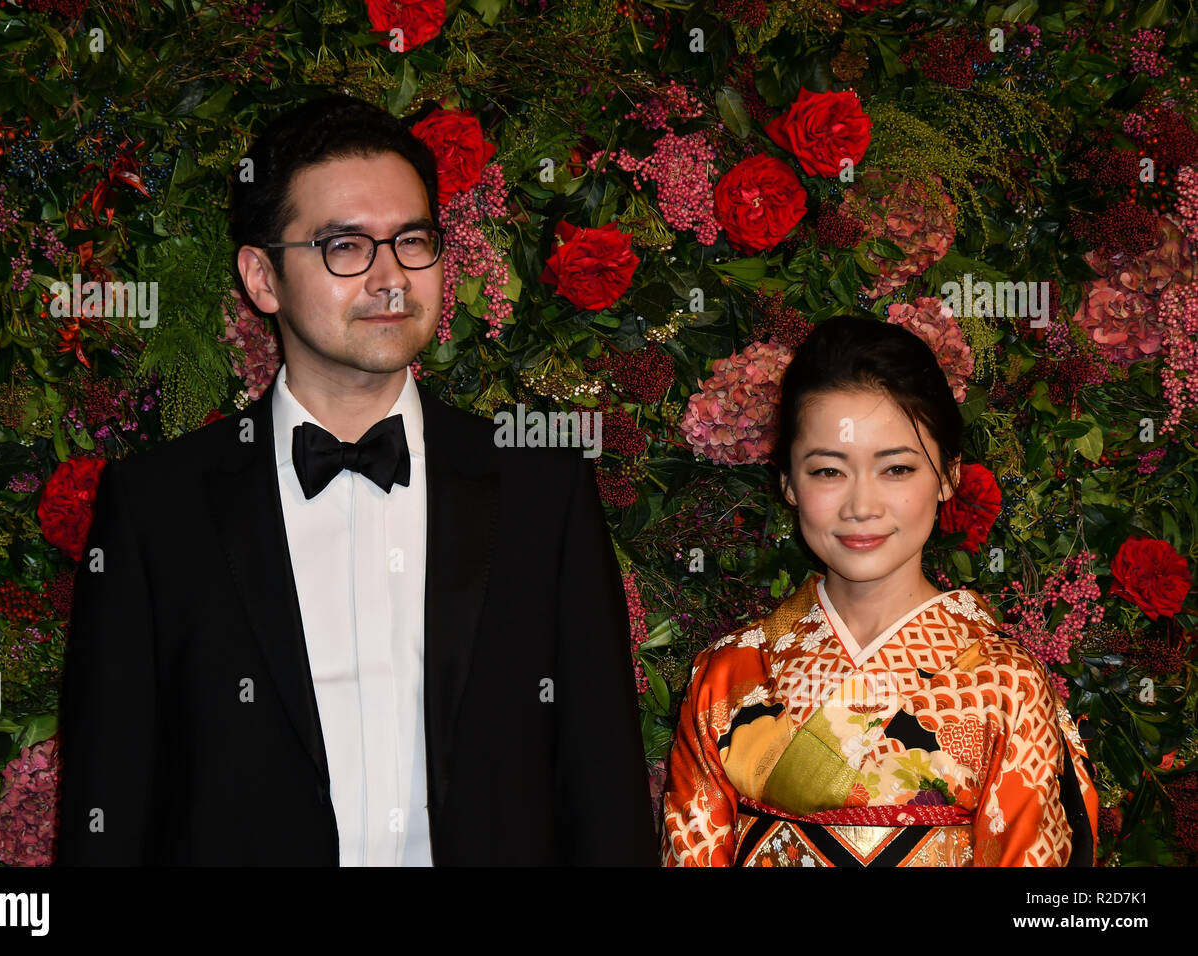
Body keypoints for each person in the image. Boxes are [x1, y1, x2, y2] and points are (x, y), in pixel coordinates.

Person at [56, 95, 658, 866]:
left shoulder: (543, 491)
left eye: (412, 241)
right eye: (344, 247)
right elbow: (110, 803)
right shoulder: (155, 508)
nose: (389, 279)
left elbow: (601, 785)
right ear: (262, 276)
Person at [661, 316, 1098, 867]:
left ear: (946, 476)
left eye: (895, 469)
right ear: (788, 483)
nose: (861, 506)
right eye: (827, 472)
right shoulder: (727, 674)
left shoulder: (1004, 684)